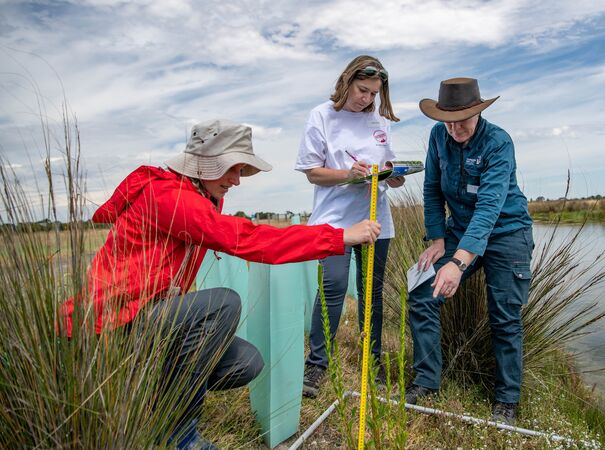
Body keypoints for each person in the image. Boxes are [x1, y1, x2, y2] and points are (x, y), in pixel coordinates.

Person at [61, 119, 380, 449]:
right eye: (231, 168)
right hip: (109, 326)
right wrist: (338, 235)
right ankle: (178, 436)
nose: (236, 180)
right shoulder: (171, 197)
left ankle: (151, 403)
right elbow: (249, 239)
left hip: (142, 314)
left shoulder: (199, 194)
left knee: (245, 362)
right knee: (223, 304)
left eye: (241, 170)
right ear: (204, 164)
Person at [405, 78, 533, 425]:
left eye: (462, 119)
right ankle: (427, 382)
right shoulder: (438, 137)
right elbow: (432, 188)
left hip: (508, 232)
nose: (454, 127)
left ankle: (507, 401)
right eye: (448, 119)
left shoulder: (498, 142)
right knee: (421, 293)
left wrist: (459, 264)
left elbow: (489, 207)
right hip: (458, 229)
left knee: (504, 314)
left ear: (477, 112)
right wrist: (436, 240)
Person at [295, 55, 402, 398]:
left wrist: (394, 175)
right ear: (346, 82)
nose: (367, 98)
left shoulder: (381, 122)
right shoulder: (321, 116)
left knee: (372, 293)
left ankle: (372, 361)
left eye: (373, 93)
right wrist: (348, 174)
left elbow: (388, 168)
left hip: (375, 220)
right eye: (362, 90)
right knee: (333, 286)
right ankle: (317, 364)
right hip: (334, 222)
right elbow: (312, 171)